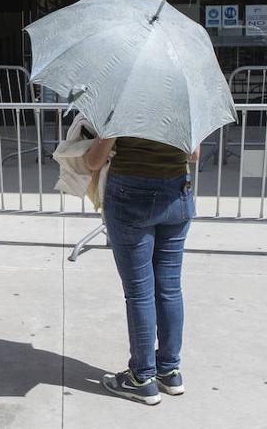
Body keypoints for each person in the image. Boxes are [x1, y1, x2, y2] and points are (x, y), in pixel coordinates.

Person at [83, 135, 199, 406]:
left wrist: (108, 133)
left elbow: (93, 161)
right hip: (177, 192)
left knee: (139, 292)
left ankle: (141, 378)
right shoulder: (183, 100)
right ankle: (169, 371)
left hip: (131, 193)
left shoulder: (123, 103)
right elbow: (193, 153)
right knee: (169, 287)